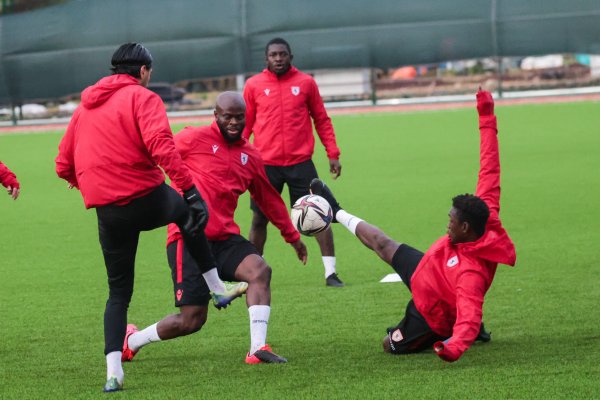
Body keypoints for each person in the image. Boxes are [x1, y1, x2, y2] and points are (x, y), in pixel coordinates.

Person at [55, 43, 247, 392]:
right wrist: (190, 191)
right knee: (190, 214)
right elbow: (162, 146)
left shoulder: (85, 106)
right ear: (143, 70)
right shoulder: (143, 98)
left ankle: (113, 374)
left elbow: (63, 165)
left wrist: (84, 182)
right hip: (146, 197)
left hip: (108, 212)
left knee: (118, 294)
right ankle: (218, 290)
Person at [309, 90, 516, 362]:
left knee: (387, 345)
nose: (447, 224)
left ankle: (455, 333)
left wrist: (452, 347)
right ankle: (337, 212)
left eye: (451, 221)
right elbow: (490, 168)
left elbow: (469, 314)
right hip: (427, 269)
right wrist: (486, 116)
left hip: (431, 312)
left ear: (466, 227)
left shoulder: (470, 274)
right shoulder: (485, 212)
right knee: (383, 244)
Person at [123, 92, 308, 364]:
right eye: (227, 117)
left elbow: (268, 198)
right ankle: (132, 341)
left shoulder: (250, 155)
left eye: (239, 117)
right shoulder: (192, 138)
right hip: (187, 238)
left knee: (260, 270)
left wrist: (293, 237)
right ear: (216, 116)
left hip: (225, 239)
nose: (233, 122)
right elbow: (156, 151)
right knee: (192, 320)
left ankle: (257, 348)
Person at [243, 37, 345, 287]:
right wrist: (239, 158)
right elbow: (244, 125)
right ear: (266, 59)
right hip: (265, 166)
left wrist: (333, 152)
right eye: (273, 55)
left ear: (291, 56)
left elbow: (321, 118)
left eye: (283, 54)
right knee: (259, 219)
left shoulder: (306, 83)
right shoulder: (254, 85)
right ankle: (253, 274)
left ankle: (330, 273)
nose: (278, 58)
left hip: (301, 164)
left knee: (319, 216)